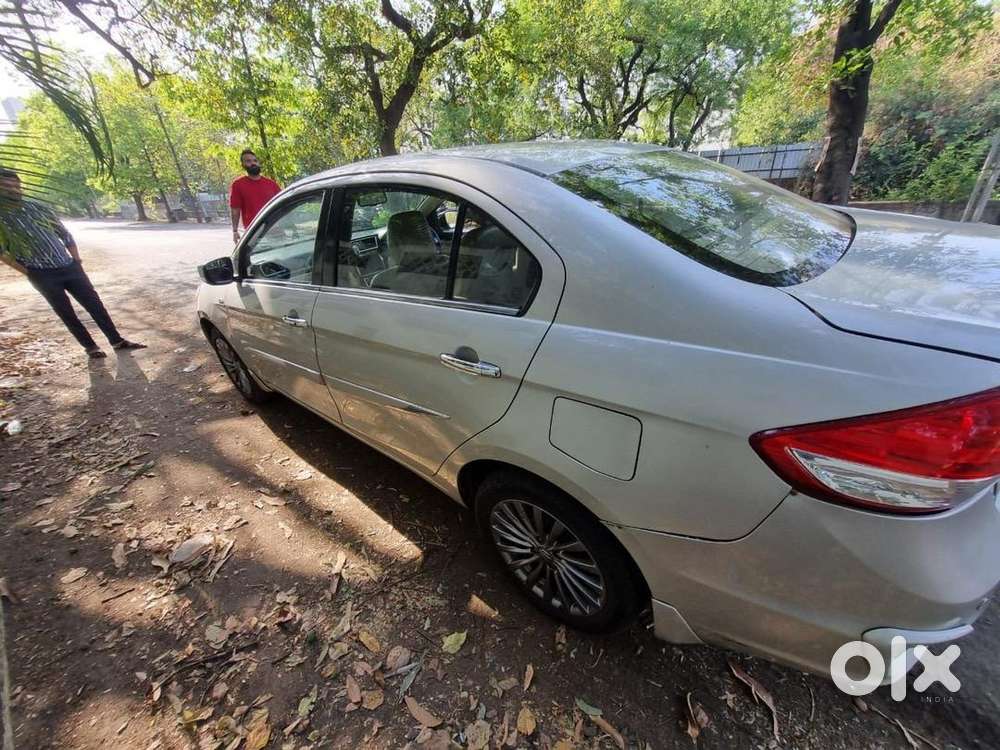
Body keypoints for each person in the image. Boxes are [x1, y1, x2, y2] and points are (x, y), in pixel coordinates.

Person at [0, 168, 145, 359]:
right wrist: (28, 272)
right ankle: (90, 347)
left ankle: (116, 340)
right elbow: (2, 252)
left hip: (68, 266)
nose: (13, 189)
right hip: (40, 273)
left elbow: (65, 234)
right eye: (7, 186)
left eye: (16, 185)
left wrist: (76, 261)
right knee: (65, 311)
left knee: (95, 305)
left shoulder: (37, 209)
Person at [229, 149, 281, 244]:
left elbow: (283, 205)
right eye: (248, 161)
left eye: (255, 160)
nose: (253, 163)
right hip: (254, 232)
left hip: (275, 230)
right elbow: (235, 209)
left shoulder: (271, 184)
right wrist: (235, 230)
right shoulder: (238, 185)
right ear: (243, 165)